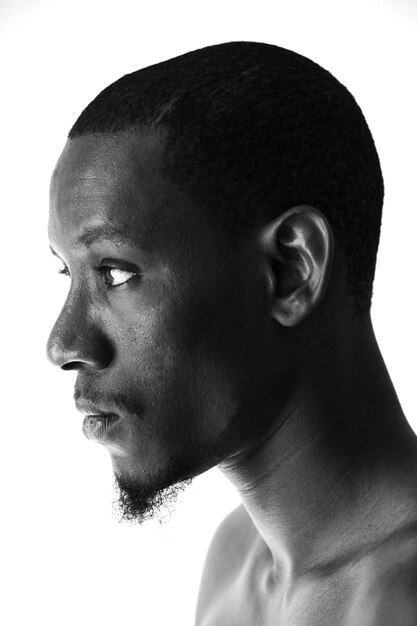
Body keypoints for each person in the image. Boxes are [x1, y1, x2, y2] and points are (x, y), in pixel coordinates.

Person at [46, 41, 417, 625]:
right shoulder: (234, 559)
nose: (64, 344)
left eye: (115, 272)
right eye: (66, 272)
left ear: (290, 272)